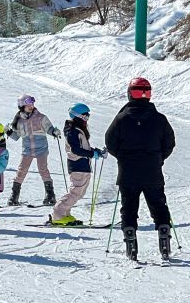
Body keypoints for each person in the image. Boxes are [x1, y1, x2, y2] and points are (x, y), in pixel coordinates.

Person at [105, 77, 176, 261]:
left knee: (129, 208)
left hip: (128, 173)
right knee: (159, 205)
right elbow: (169, 143)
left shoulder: (122, 118)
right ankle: (164, 237)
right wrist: (158, 158)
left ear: (130, 94)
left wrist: (123, 156)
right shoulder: (159, 119)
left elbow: (110, 142)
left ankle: (131, 243)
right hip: (152, 172)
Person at [48, 103, 107, 226]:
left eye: (88, 117)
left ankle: (65, 213)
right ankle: (58, 214)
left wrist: (96, 152)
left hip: (83, 165)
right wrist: (92, 154)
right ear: (77, 116)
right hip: (77, 165)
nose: (86, 120)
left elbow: (83, 147)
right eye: (85, 117)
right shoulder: (72, 131)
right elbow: (76, 150)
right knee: (76, 192)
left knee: (79, 192)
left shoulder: (77, 130)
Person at [6, 94, 61, 206]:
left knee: (43, 169)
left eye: (32, 104)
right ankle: (14, 196)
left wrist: (54, 132)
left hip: (41, 149)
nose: (31, 106)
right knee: (21, 171)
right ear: (22, 106)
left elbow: (49, 128)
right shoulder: (19, 121)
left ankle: (50, 195)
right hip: (27, 150)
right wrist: (8, 132)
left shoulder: (41, 117)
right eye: (28, 104)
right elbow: (16, 137)